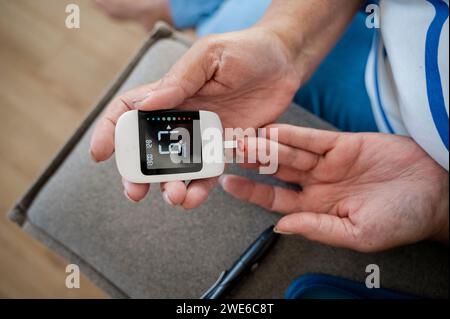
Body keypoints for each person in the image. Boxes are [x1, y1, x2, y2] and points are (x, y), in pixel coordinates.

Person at [90, 0, 449, 252]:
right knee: (231, 23)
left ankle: (169, 7)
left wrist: (441, 206)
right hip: (392, 42)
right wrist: (285, 41)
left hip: (393, 115)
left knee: (222, 23)